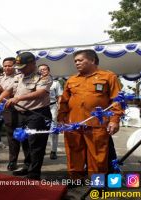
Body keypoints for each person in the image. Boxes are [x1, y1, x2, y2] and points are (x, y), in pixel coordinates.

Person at [57, 49, 123, 179]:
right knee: (74, 154)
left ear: (92, 60)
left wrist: (114, 120)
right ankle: (76, 179)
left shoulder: (108, 77)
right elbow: (64, 101)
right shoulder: (71, 80)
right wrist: (61, 119)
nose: (76, 63)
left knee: (97, 157)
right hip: (74, 125)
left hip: (97, 125)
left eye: (80, 60)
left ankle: (97, 184)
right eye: (75, 61)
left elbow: (117, 100)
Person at [0, 52, 52, 180]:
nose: (20, 69)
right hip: (21, 114)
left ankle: (34, 172)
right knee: (25, 141)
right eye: (19, 67)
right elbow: (9, 90)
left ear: (33, 64)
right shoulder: (19, 77)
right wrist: (0, 99)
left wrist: (19, 98)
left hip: (37, 114)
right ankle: (27, 166)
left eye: (23, 66)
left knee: (36, 144)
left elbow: (41, 93)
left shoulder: (44, 77)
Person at [0, 57, 19, 170]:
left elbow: (13, 93)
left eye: (9, 65)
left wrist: (2, 90)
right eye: (5, 65)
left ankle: (13, 161)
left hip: (10, 107)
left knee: (11, 134)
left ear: (14, 66)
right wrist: (1, 90)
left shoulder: (18, 77)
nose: (7, 67)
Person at [38, 64, 63, 160]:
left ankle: (53, 151)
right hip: (39, 108)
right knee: (40, 130)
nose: (42, 71)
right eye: (40, 70)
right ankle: (42, 149)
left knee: (53, 131)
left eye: (44, 69)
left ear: (48, 70)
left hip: (52, 107)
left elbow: (60, 96)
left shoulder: (55, 83)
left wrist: (60, 107)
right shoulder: (36, 82)